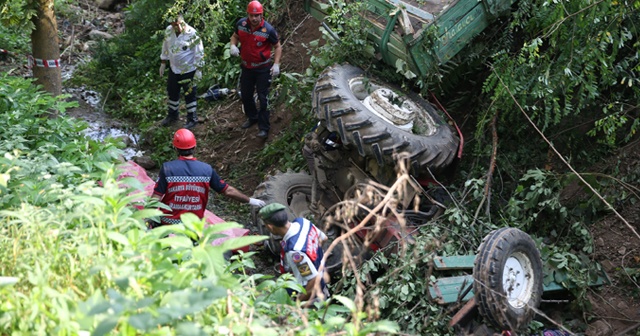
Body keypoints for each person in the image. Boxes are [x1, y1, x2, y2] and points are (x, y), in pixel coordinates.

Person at [152, 129, 266, 227]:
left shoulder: (167, 169)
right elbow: (228, 190)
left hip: (168, 224)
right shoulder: (206, 170)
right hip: (193, 226)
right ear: (195, 146)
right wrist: (251, 200)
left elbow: (156, 197)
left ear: (175, 148)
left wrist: (145, 218)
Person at [229, 1, 282, 138]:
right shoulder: (241, 24)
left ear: (261, 15)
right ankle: (252, 117)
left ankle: (264, 128)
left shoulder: (268, 30)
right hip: (247, 67)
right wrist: (233, 46)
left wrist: (276, 64)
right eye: (252, 15)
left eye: (257, 15)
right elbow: (235, 36)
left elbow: (277, 46)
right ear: (248, 14)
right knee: (246, 95)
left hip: (263, 69)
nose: (254, 18)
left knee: (263, 98)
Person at [259, 203, 330, 303]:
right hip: (321, 278)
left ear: (270, 227)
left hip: (311, 296)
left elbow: (314, 281)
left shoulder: (295, 251)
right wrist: (314, 258)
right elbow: (324, 238)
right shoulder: (303, 222)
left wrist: (297, 302)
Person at [159, 14, 204, 130]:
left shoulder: (192, 33)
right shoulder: (169, 31)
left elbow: (199, 52)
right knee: (172, 92)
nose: (177, 28)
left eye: (179, 24)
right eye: (174, 25)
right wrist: (163, 62)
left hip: (188, 69)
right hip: (174, 69)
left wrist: (199, 69)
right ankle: (173, 115)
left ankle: (192, 118)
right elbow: (165, 46)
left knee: (190, 94)